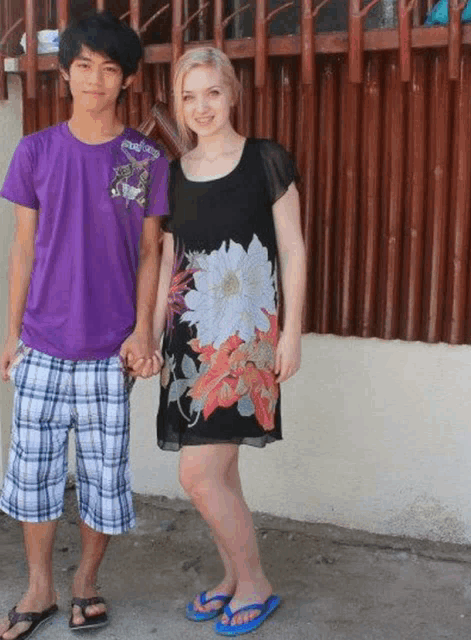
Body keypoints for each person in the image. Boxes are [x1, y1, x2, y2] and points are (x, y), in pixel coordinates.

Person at [0, 11, 167, 640]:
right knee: (33, 477)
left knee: (103, 481)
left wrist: (144, 331)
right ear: (66, 74)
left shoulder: (142, 157)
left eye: (109, 69)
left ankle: (87, 583)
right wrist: (11, 335)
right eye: (83, 66)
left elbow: (151, 253)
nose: (95, 80)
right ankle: (39, 589)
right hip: (40, 343)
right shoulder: (36, 150)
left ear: (126, 81)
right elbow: (23, 249)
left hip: (109, 350)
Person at [153, 47, 306, 636]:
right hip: (188, 344)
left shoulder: (265, 160)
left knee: (197, 475)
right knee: (222, 472)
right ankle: (234, 577)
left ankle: (256, 581)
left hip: (244, 341)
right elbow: (170, 259)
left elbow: (292, 248)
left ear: (232, 93)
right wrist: (155, 337)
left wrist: (291, 335)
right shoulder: (173, 173)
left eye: (211, 92)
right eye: (188, 96)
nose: (201, 107)